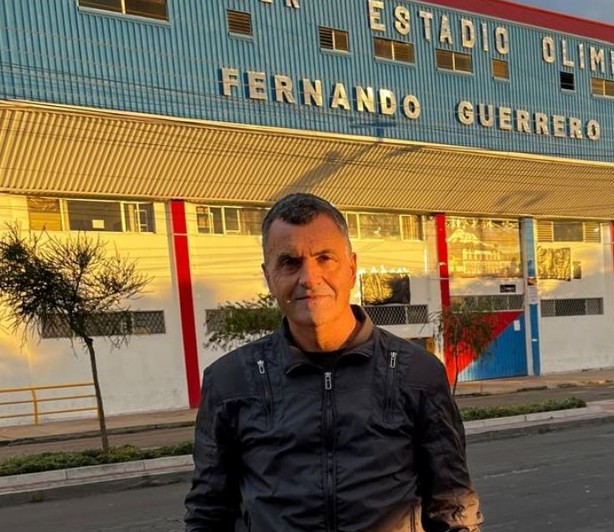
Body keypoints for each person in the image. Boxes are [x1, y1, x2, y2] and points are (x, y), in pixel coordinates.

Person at [184, 193, 483, 532]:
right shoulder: (229, 381)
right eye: (290, 262)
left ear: (352, 267)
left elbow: (453, 507)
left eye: (325, 258)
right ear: (268, 276)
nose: (309, 278)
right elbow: (209, 512)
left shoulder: (417, 373)